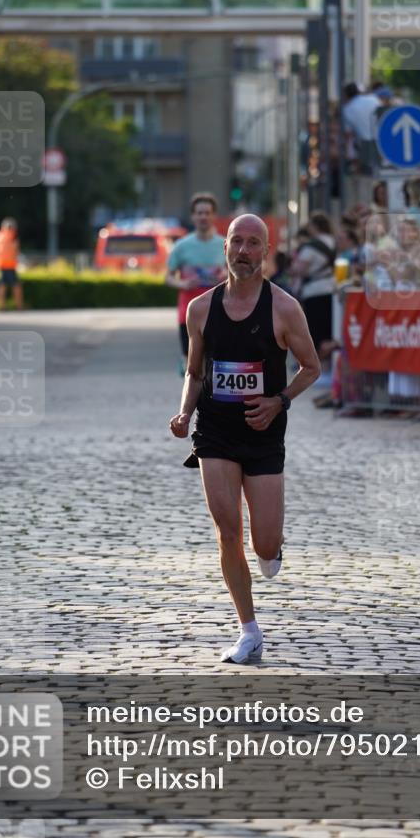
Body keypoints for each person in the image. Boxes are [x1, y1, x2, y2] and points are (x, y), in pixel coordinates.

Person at [169, 214, 320, 664]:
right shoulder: (200, 309)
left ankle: (272, 551)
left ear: (266, 252)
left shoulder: (284, 308)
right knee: (228, 528)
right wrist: (184, 412)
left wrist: (279, 400)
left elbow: (311, 367)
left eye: (254, 243)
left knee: (264, 543)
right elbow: (195, 372)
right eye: (237, 241)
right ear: (225, 248)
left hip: (263, 432)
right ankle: (249, 630)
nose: (244, 251)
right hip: (215, 430)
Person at [165, 193, 226, 372]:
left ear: (214, 216)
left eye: (207, 213)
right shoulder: (182, 246)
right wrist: (183, 284)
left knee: (216, 360)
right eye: (199, 213)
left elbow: (237, 274)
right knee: (191, 361)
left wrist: (226, 275)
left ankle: (211, 397)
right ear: (193, 216)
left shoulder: (226, 244)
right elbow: (168, 277)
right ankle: (191, 396)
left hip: (219, 310)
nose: (203, 217)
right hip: (188, 311)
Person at [289, 211, 337, 352]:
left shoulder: (311, 246)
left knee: (316, 333)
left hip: (314, 292)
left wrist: (292, 268)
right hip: (331, 288)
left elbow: (299, 269)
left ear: (315, 226)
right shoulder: (333, 242)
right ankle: (328, 367)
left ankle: (318, 367)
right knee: (328, 330)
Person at [0, 218, 23, 311]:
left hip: (0, 264)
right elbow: (16, 250)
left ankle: (1, 306)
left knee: (2, 285)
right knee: (16, 286)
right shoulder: (12, 236)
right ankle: (19, 306)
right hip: (10, 265)